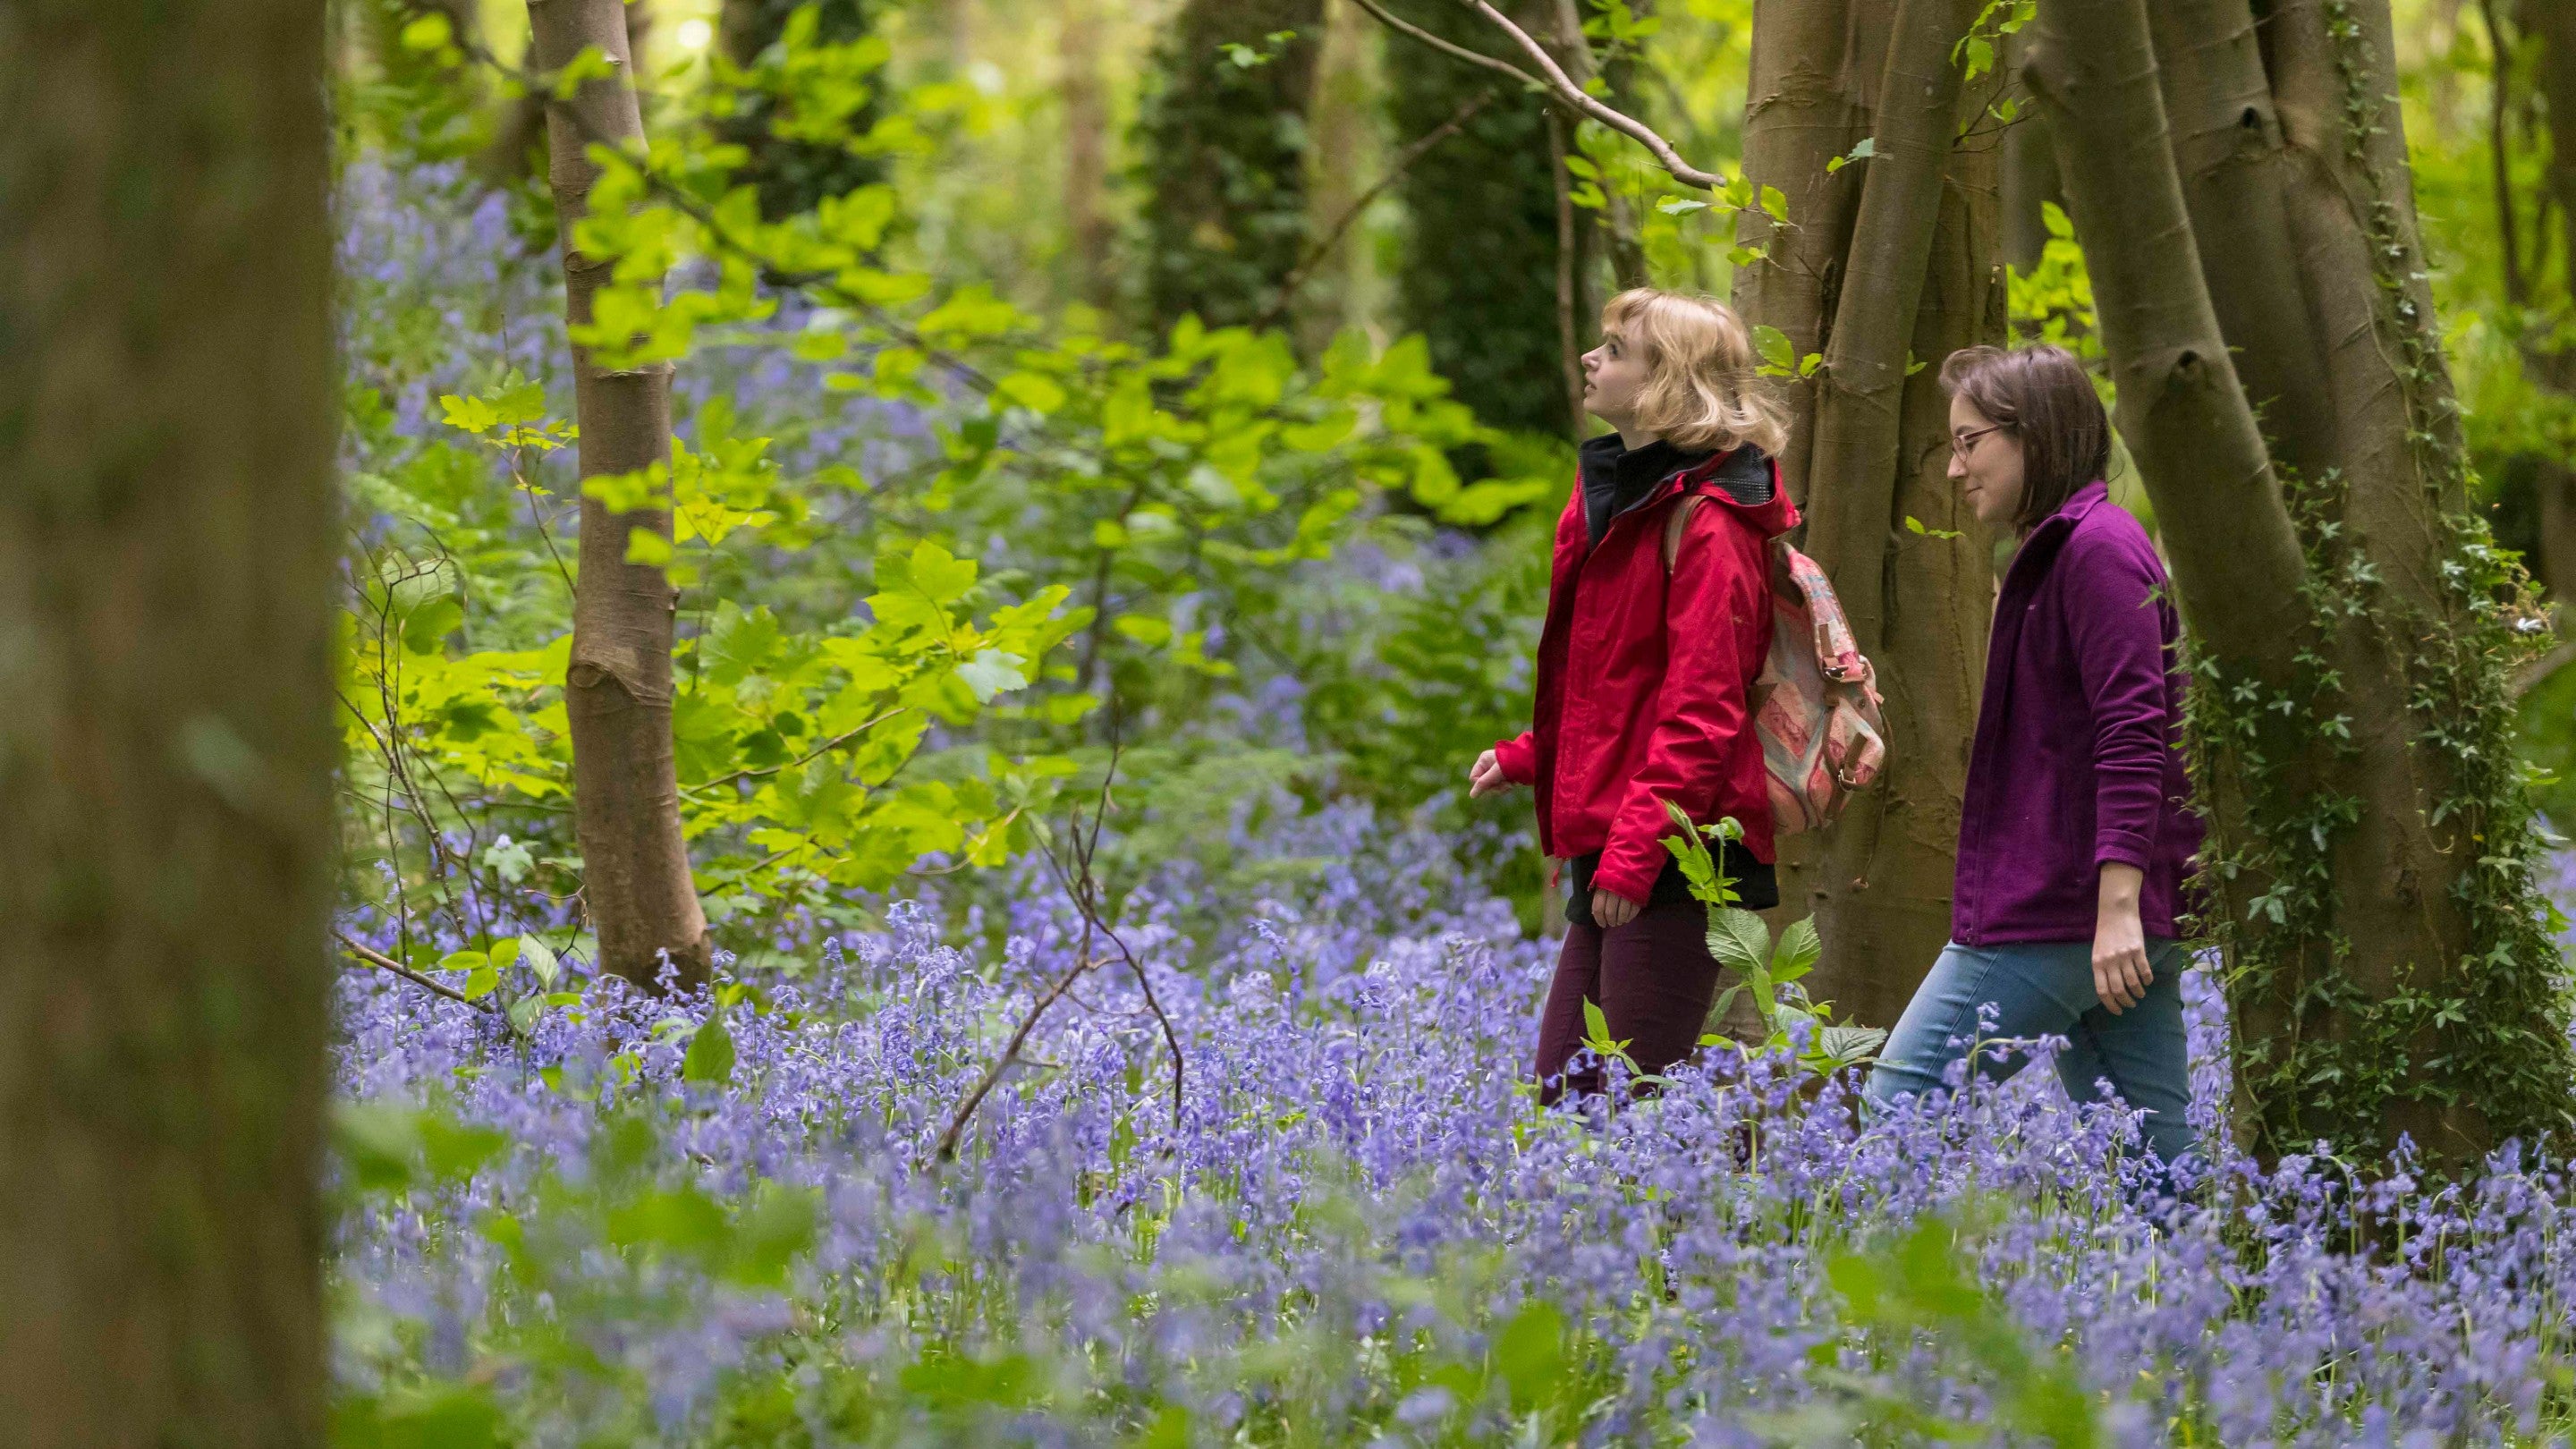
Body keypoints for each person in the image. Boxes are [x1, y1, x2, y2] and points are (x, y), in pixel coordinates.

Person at [1862, 343, 2202, 1174]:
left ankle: (1869, 1302)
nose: (1954, 468)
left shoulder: (2095, 552)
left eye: (1970, 441)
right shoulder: (2070, 551)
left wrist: (2116, 903)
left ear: (2035, 436)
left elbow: (2137, 727)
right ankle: (2206, 1300)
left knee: (1899, 1106)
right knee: (2147, 1158)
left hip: (2064, 911)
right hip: (2106, 914)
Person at [1469, 288, 1796, 1102]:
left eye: (1616, 349)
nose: (1591, 357)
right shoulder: (1617, 497)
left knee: (1632, 1105)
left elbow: (1702, 710)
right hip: (1625, 836)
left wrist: (1637, 853)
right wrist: (1529, 757)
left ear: (1667, 384)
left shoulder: (1711, 523)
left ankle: (1708, 1230)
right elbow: (1615, 685)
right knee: (1568, 1094)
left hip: (1678, 850)